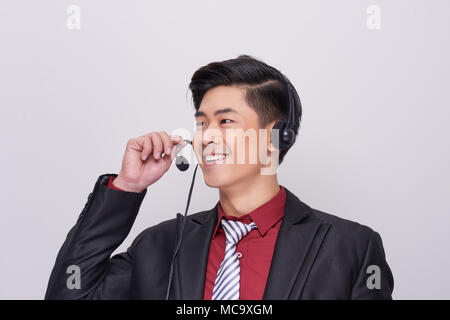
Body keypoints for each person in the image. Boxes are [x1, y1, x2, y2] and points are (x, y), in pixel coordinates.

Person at [45, 55, 394, 300]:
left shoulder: (351, 248)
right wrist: (126, 187)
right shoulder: (158, 245)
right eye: (201, 122)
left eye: (225, 121)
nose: (206, 136)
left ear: (276, 137)